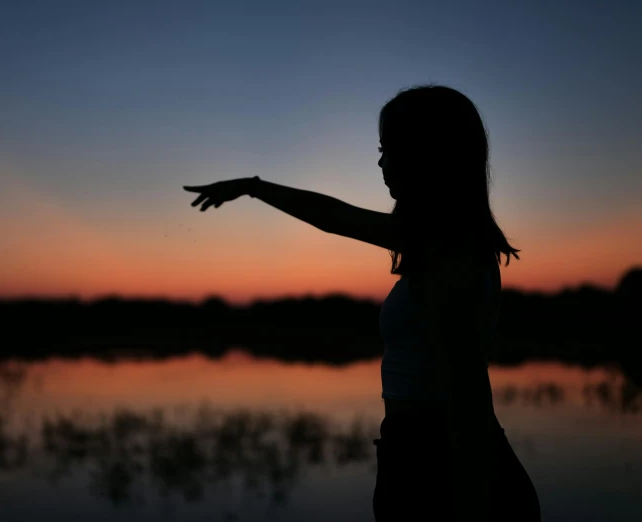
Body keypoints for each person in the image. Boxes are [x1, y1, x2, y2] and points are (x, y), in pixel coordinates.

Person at [183, 84, 541, 522]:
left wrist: (472, 500)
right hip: (417, 452)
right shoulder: (433, 241)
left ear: (425, 154)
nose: (380, 162)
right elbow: (335, 217)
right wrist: (253, 187)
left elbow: (467, 392)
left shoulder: (453, 255)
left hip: (437, 465)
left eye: (389, 149)